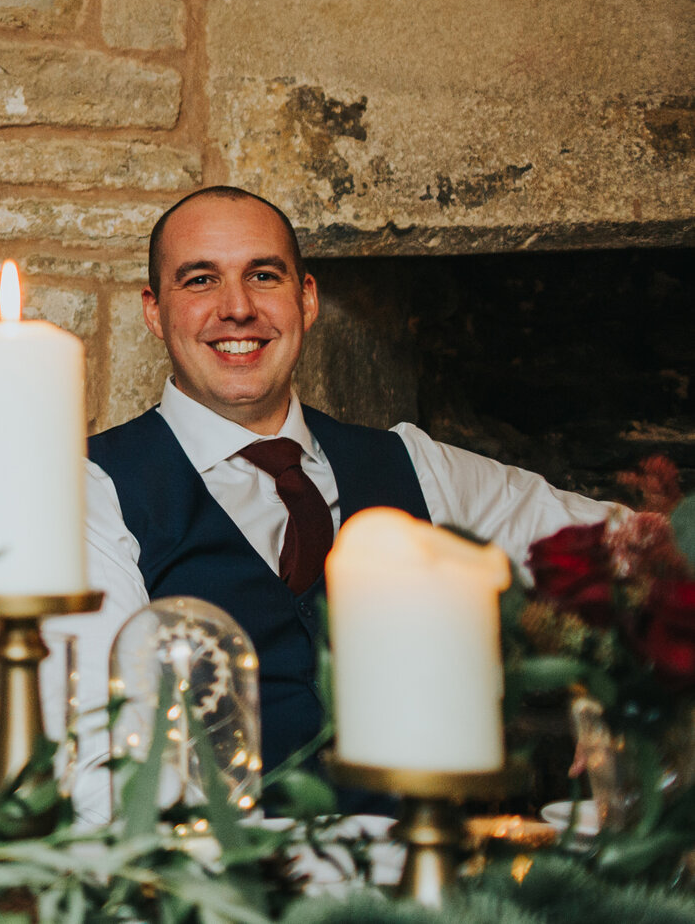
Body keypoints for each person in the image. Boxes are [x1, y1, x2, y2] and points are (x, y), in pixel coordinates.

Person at [50, 185, 609, 821]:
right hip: (243, 892)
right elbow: (105, 773)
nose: (237, 308)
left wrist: (630, 707)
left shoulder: (415, 465)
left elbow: (637, 554)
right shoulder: (91, 491)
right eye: (201, 280)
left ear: (306, 299)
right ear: (155, 312)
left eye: (263, 275)